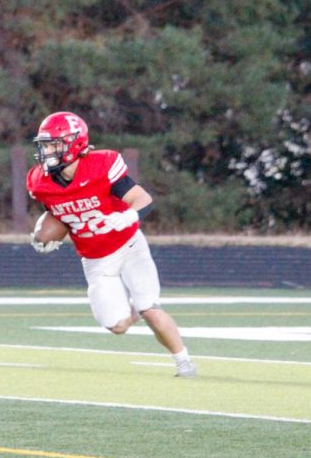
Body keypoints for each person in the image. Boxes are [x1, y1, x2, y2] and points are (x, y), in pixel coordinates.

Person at [25, 111, 197, 378]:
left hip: (129, 245)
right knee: (116, 326)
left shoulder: (101, 165)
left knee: (150, 307)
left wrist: (126, 216)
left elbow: (143, 199)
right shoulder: (40, 182)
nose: (46, 150)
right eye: (44, 144)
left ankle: (184, 361)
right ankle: (133, 313)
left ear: (75, 143)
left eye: (53, 144)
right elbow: (58, 216)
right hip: (95, 259)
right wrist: (46, 237)